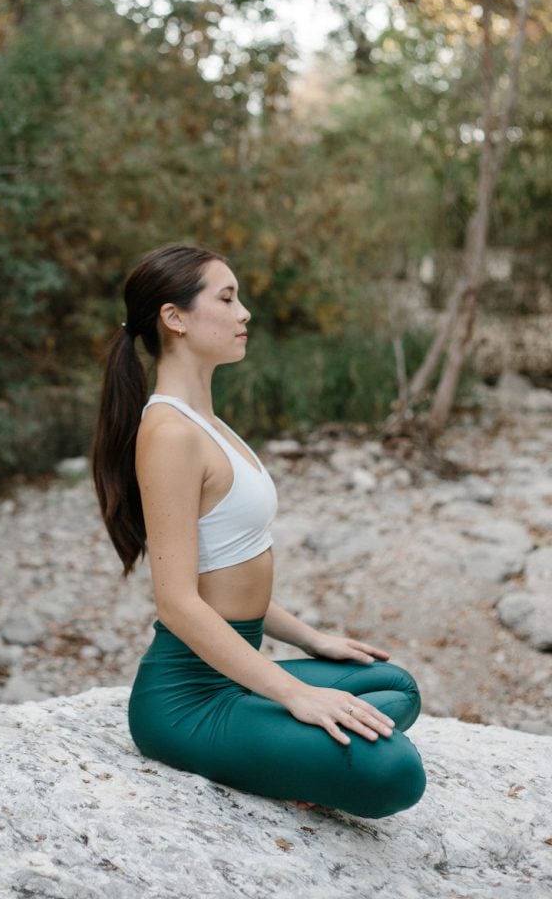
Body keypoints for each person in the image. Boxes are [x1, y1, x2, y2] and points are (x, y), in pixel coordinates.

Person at [93, 243, 426, 819]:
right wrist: (293, 692)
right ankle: (267, 743)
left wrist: (311, 640)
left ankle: (273, 742)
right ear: (174, 318)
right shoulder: (170, 433)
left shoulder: (208, 423)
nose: (244, 313)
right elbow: (177, 603)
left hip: (236, 673)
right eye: (227, 298)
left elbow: (224, 566)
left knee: (395, 684)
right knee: (397, 773)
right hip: (187, 701)